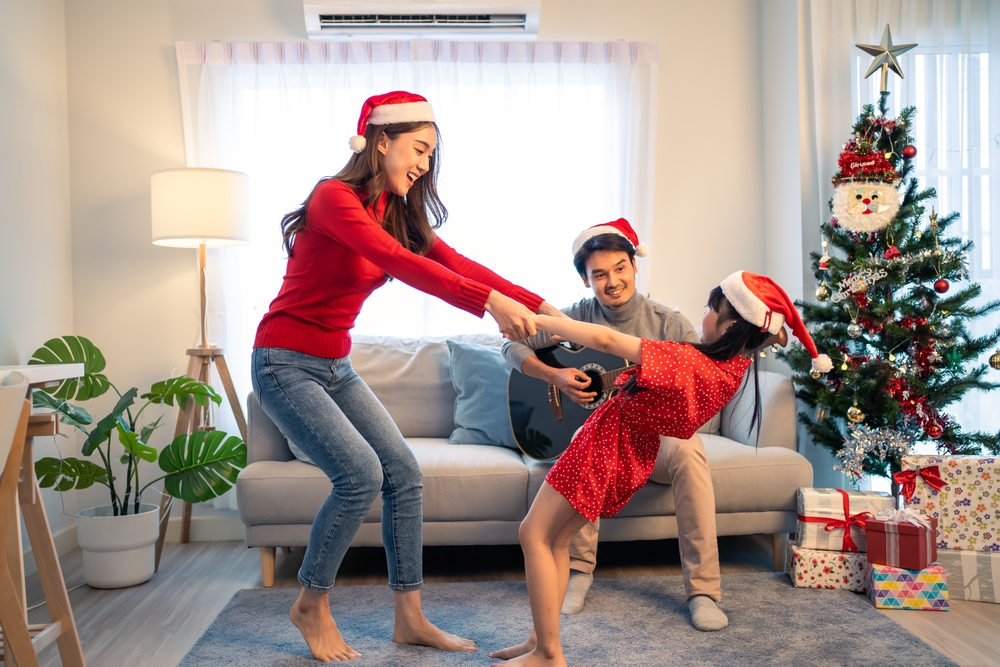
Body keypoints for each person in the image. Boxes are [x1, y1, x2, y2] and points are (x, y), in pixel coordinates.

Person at [251, 91, 562, 662]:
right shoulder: (333, 198)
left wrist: (543, 307)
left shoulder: (395, 211)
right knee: (359, 475)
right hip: (283, 361)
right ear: (381, 139)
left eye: (430, 155)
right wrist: (491, 304)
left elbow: (454, 263)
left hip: (334, 365)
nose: (423, 164)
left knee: (403, 473)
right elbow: (402, 264)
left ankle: (410, 618)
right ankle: (310, 605)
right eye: (418, 149)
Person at [490, 271, 832, 666]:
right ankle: (540, 640)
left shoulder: (688, 360)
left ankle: (548, 653)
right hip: (628, 453)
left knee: (533, 534)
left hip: (603, 446)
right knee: (557, 541)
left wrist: (534, 320)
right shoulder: (730, 371)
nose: (701, 315)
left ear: (732, 324)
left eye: (709, 309)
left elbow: (604, 340)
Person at [503, 219, 735, 631]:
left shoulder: (669, 324)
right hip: (603, 437)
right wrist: (553, 376)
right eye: (599, 274)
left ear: (634, 265)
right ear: (585, 279)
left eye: (620, 268)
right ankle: (577, 571)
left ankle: (702, 591)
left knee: (690, 449)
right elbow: (511, 343)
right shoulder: (573, 317)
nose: (612, 282)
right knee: (584, 436)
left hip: (656, 437)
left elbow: (699, 386)